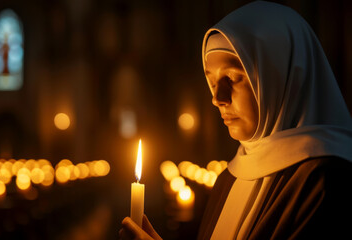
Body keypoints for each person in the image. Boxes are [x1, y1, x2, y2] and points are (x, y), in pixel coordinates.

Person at [120, 1, 352, 239]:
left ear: (281, 79)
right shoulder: (228, 179)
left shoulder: (327, 182)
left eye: (232, 77)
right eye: (211, 81)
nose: (217, 98)